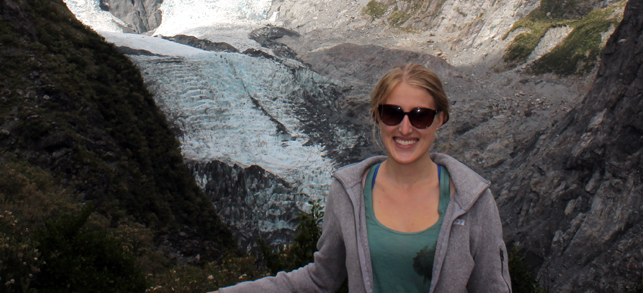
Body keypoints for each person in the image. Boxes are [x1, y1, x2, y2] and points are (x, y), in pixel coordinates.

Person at [215, 63, 512, 293]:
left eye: (420, 115)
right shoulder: (349, 192)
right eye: (392, 114)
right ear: (376, 117)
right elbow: (321, 279)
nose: (405, 128)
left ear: (440, 120)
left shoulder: (472, 200)